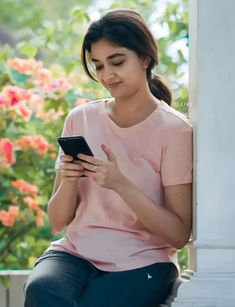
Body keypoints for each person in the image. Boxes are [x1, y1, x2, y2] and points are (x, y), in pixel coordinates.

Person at [24, 8, 193, 307]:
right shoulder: (80, 119)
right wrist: (70, 180)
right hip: (75, 254)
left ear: (144, 57)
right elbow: (58, 220)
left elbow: (178, 235)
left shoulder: (175, 130)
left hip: (145, 261)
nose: (107, 75)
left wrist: (121, 184)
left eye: (117, 62)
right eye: (98, 66)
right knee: (42, 288)